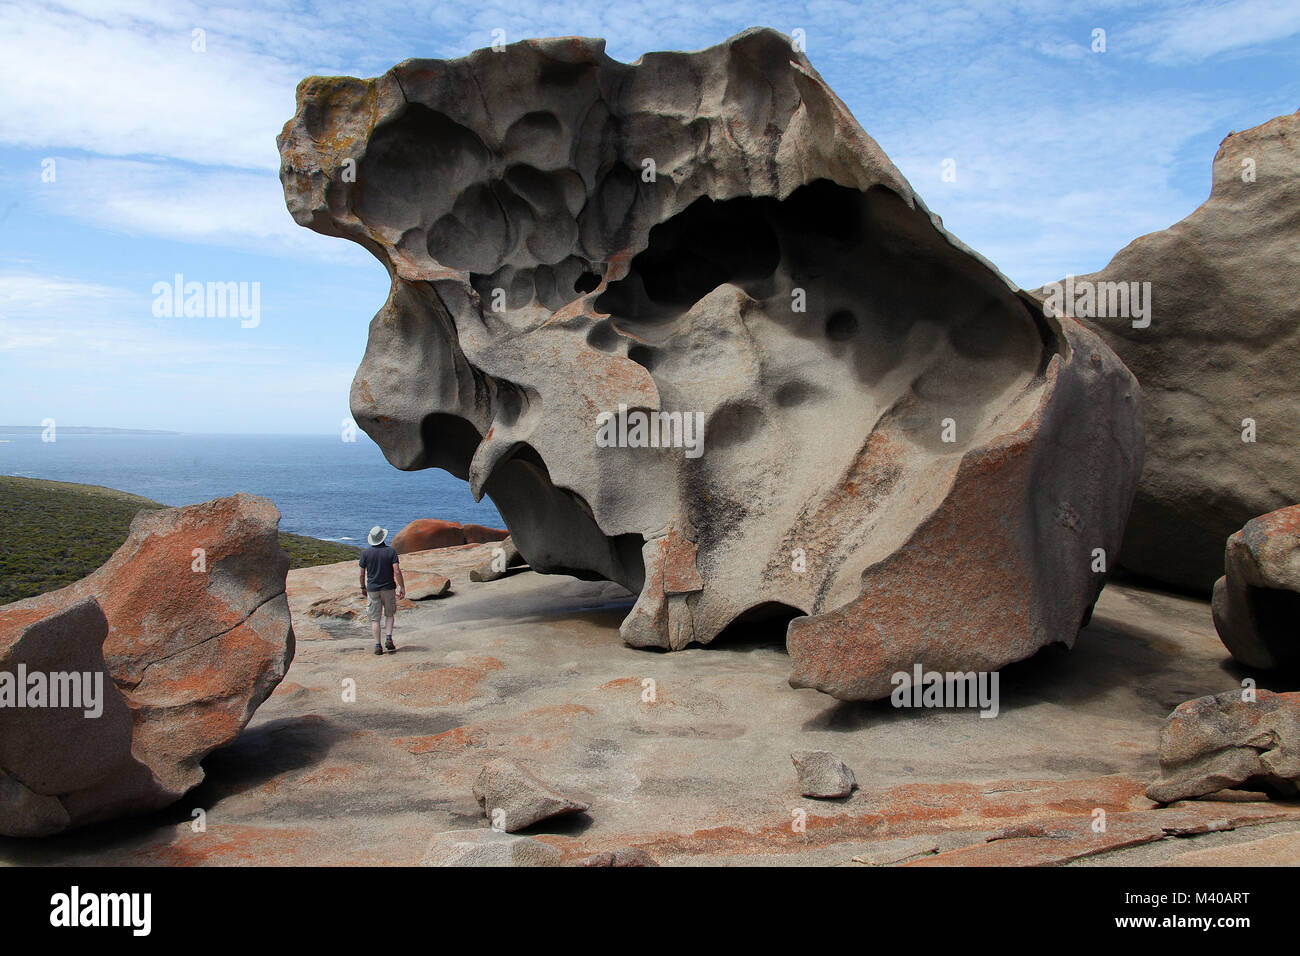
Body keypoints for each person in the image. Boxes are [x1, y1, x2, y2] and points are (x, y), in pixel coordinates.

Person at [359, 526, 405, 655]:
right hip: (388, 588)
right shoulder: (390, 551)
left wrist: (363, 587)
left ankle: (378, 645)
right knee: (389, 614)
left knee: (375, 619)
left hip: (373, 588)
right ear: (383, 537)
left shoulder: (365, 553)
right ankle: (389, 637)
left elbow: (362, 574)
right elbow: (396, 570)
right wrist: (402, 586)